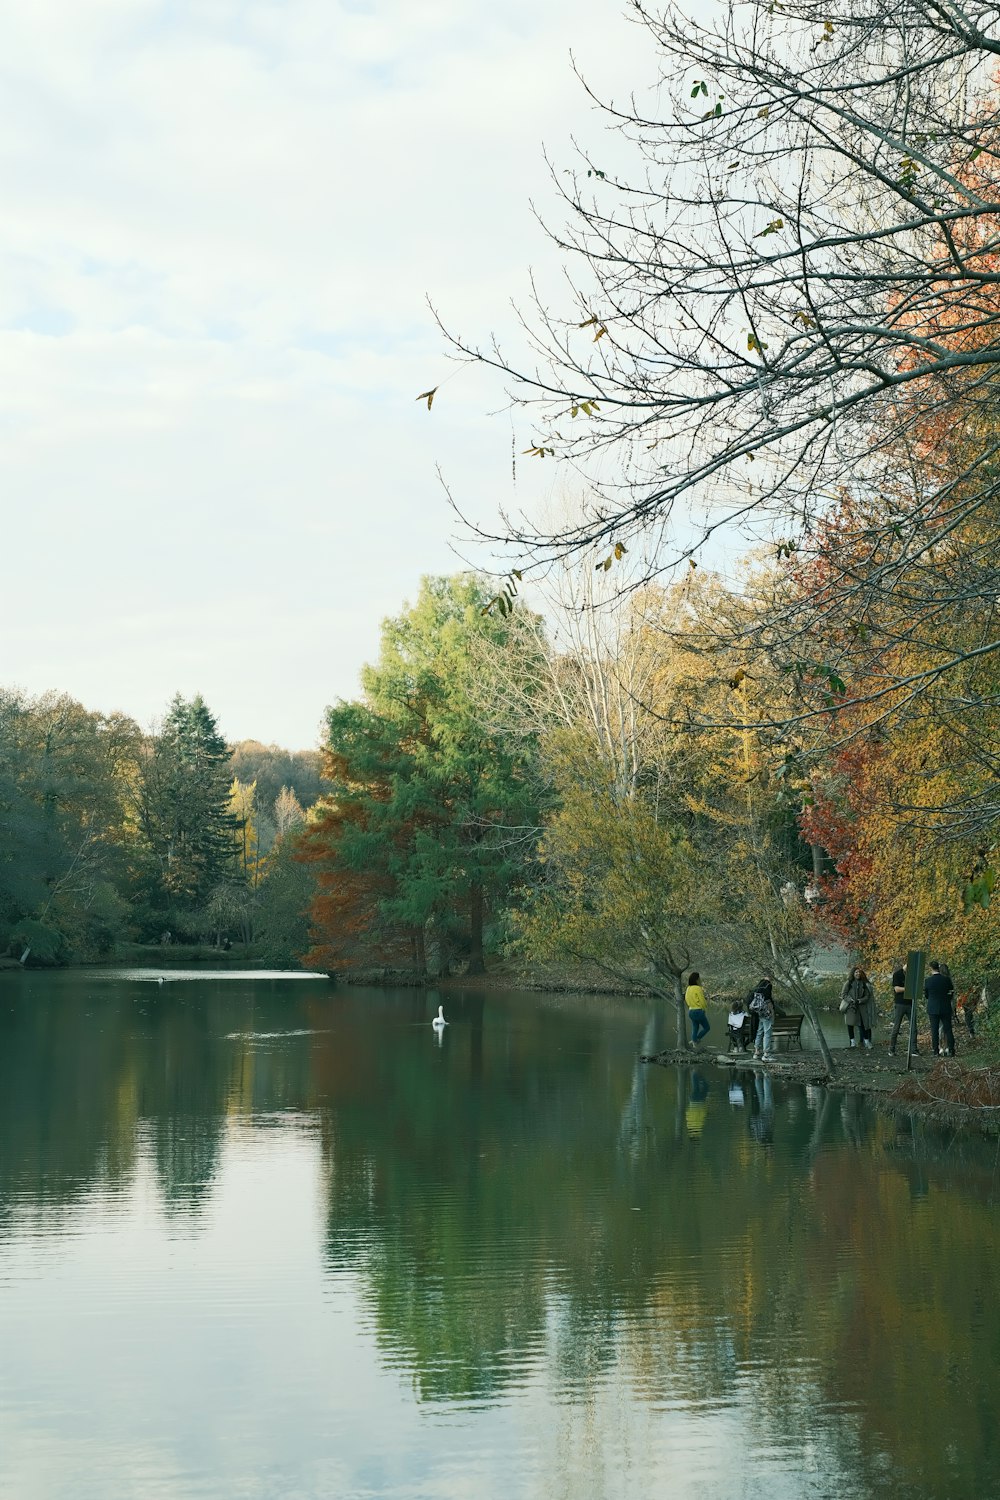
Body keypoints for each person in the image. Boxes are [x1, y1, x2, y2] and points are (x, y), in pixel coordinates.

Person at [925, 960, 956, 1056]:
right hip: (945, 1007)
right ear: (938, 968)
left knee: (934, 1030)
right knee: (948, 1029)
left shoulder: (928, 981)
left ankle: (935, 1051)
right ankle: (951, 1050)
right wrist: (947, 999)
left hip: (933, 1007)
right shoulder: (946, 980)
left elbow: (926, 995)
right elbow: (951, 991)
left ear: (931, 968)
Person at [840, 965, 875, 1049]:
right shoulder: (848, 983)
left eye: (859, 972)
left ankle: (867, 1042)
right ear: (853, 973)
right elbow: (843, 994)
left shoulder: (863, 983)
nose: (858, 974)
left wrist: (861, 1000)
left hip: (861, 1007)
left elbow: (867, 995)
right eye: (856, 972)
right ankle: (852, 1042)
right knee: (850, 1024)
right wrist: (850, 1000)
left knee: (863, 1024)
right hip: (851, 1007)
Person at [888, 958, 912, 1056]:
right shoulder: (897, 974)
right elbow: (897, 989)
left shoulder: (912, 975)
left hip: (910, 1003)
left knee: (913, 1027)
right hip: (900, 1003)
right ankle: (891, 1049)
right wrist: (909, 989)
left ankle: (914, 1049)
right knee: (896, 1026)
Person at [750, 976, 776, 1060]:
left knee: (759, 1031)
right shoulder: (768, 985)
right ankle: (766, 1054)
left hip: (759, 1012)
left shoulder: (758, 986)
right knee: (767, 1032)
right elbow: (768, 999)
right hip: (766, 1013)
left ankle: (756, 1052)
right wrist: (772, 1011)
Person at [685, 971, 711, 1045]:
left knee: (695, 1027)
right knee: (707, 1027)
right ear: (696, 980)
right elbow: (702, 1000)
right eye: (699, 979)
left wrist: (690, 1005)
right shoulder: (698, 988)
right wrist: (704, 1008)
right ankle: (696, 1040)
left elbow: (686, 998)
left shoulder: (688, 988)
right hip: (698, 1011)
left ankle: (694, 1042)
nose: (700, 980)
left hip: (690, 1011)